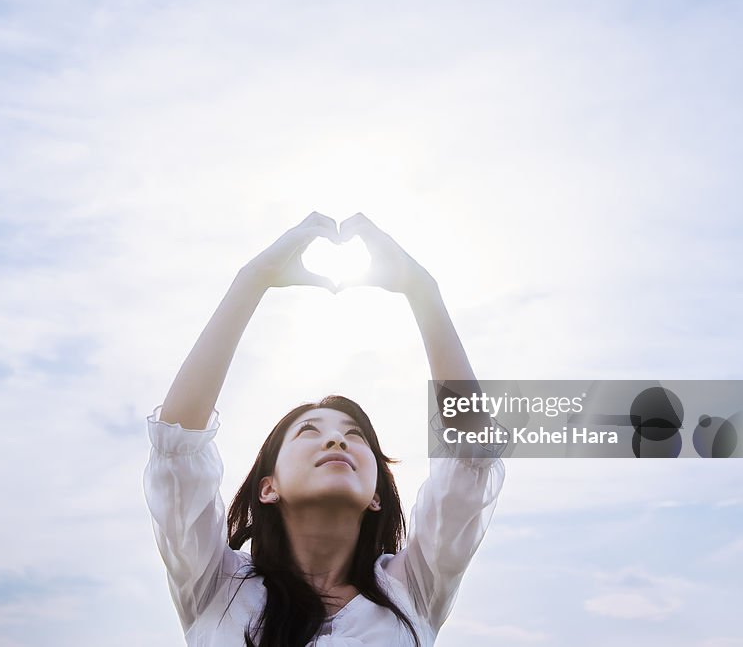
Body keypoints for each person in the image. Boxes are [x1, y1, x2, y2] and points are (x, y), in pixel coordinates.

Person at [144, 212, 505, 646]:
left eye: (356, 436)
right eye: (308, 431)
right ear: (268, 487)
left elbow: (470, 455)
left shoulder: (412, 590)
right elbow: (177, 445)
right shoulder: (216, 587)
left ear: (376, 495)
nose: (337, 439)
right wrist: (253, 279)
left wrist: (421, 290)